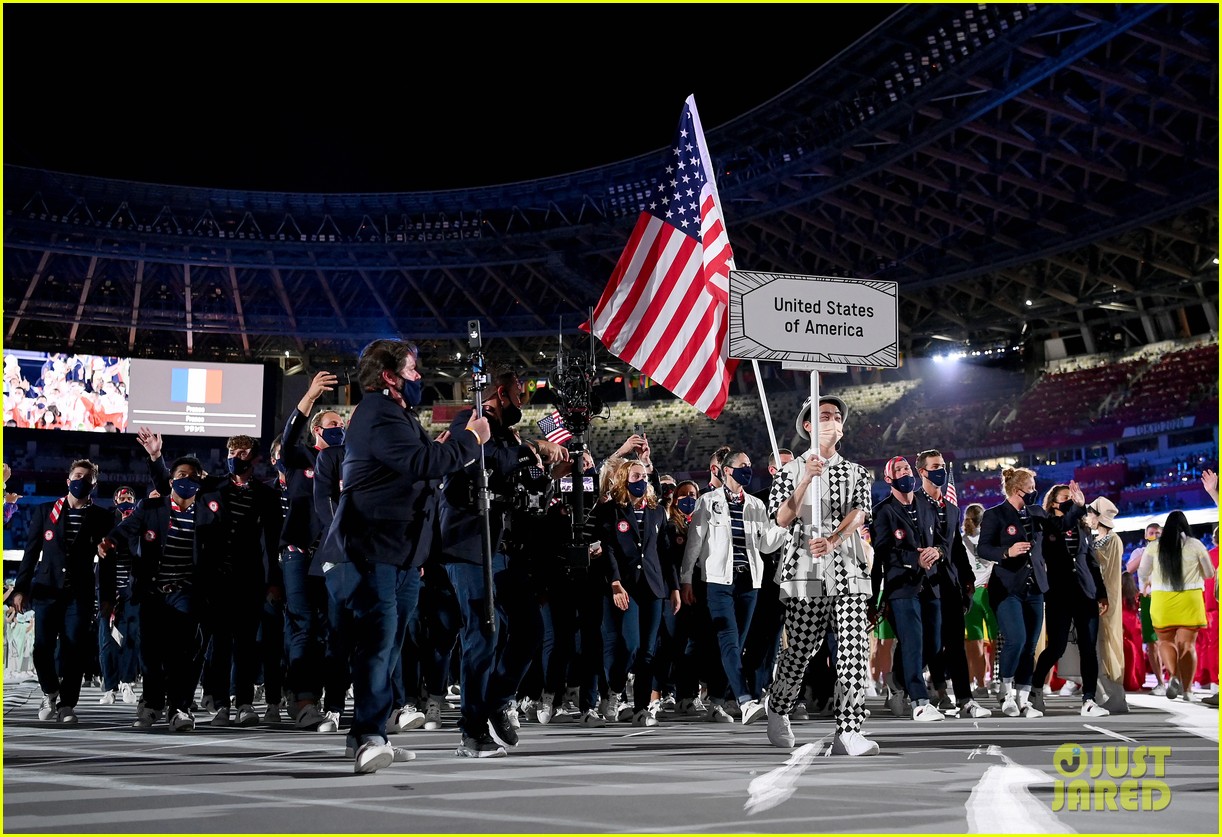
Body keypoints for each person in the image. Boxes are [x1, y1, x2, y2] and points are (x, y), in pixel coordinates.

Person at [314, 338, 489, 773]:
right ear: (389, 376)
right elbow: (421, 463)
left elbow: (418, 465)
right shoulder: (377, 413)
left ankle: (372, 730)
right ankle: (369, 736)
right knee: (379, 641)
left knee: (390, 644)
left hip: (402, 552)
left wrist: (443, 449)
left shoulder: (397, 414)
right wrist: (468, 441)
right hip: (373, 549)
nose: (419, 378)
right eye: (412, 371)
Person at [437, 368, 567, 756]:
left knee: (529, 628)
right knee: (482, 632)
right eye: (518, 394)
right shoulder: (470, 420)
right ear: (499, 393)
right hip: (470, 546)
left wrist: (552, 474)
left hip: (508, 551)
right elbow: (489, 459)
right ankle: (471, 730)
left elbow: (527, 491)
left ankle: (497, 699)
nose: (523, 403)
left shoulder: (511, 437)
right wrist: (534, 449)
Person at [765, 396, 877, 755]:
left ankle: (849, 729)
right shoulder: (790, 471)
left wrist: (834, 539)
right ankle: (779, 707)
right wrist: (804, 481)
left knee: (854, 648)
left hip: (847, 566)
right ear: (809, 426)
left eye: (836, 416)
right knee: (799, 651)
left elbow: (861, 512)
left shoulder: (857, 471)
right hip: (804, 570)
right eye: (824, 416)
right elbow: (781, 519)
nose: (833, 420)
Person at [102, 455, 223, 732]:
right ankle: (152, 704)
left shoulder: (208, 512)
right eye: (180, 475)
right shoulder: (152, 507)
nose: (185, 480)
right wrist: (109, 540)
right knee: (150, 653)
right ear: (170, 481)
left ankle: (180, 708)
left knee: (183, 652)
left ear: (200, 481)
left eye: (192, 476)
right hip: (153, 591)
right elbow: (126, 529)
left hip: (186, 591)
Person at [680, 450, 787, 724]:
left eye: (750, 465)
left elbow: (765, 544)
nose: (748, 470)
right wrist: (686, 579)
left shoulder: (755, 505)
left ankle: (717, 700)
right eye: (743, 466)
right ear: (727, 470)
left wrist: (785, 525)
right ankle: (745, 700)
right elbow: (694, 543)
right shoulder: (707, 502)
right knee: (728, 640)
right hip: (718, 581)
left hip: (749, 582)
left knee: (735, 646)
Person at [13, 460, 116, 723]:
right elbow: (31, 553)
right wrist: (21, 589)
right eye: (77, 475)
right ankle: (50, 691)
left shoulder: (102, 517)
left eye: (87, 477)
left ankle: (68, 704)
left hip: (79, 595)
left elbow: (107, 561)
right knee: (42, 648)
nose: (81, 480)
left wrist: (107, 597)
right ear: (68, 480)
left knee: (74, 649)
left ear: (93, 485)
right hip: (46, 592)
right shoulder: (45, 512)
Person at [590, 459, 680, 727]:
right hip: (626, 586)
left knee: (648, 651)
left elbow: (666, 553)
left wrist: (673, 587)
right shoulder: (612, 511)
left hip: (653, 588)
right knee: (630, 646)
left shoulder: (656, 512)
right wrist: (615, 582)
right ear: (624, 479)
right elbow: (606, 549)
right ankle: (615, 690)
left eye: (644, 475)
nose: (641, 480)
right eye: (635, 475)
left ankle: (641, 707)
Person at [915, 450, 991, 719]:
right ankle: (928, 689)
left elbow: (956, 547)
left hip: (950, 584)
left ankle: (965, 699)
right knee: (931, 644)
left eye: (943, 467)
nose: (941, 471)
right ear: (922, 471)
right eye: (935, 467)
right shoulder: (914, 505)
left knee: (956, 643)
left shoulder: (952, 508)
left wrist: (968, 579)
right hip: (925, 585)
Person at [870, 456, 946, 721]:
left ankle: (898, 679)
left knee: (933, 644)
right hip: (901, 587)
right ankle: (920, 701)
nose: (905, 473)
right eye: (898, 470)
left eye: (907, 469)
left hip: (931, 585)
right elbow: (883, 551)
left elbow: (943, 540)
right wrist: (914, 559)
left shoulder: (928, 505)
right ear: (889, 479)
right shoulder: (883, 511)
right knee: (912, 642)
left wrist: (936, 552)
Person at [1029, 482, 1110, 717]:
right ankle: (1035, 689)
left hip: (1085, 593)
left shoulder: (1081, 528)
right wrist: (1078, 506)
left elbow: (1091, 562)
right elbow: (1059, 526)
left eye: (1072, 497)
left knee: (1088, 647)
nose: (1071, 500)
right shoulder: (1046, 524)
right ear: (1053, 502)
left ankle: (1089, 699)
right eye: (1066, 497)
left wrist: (1101, 592)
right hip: (1059, 594)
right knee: (1057, 647)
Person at [977, 467, 1047, 718]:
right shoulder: (996, 515)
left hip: (1035, 588)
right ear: (1018, 490)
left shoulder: (1037, 513)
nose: (1034, 492)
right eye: (1031, 488)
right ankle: (1005, 693)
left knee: (1029, 646)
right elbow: (983, 548)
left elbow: (1058, 529)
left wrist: (1078, 508)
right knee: (1015, 639)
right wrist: (1007, 552)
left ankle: (1023, 698)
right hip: (1007, 588)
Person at [1137, 510, 1215, 701]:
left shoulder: (1154, 547)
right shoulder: (1195, 545)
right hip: (1190, 599)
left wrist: (1148, 583)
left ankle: (1173, 676)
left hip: (1162, 601)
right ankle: (1188, 691)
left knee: (1165, 642)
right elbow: (1209, 573)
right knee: (1188, 646)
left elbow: (1143, 571)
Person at [98, 486, 140, 706]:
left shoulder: (139, 521)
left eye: (130, 497)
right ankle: (109, 686)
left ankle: (127, 682)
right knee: (107, 640)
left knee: (130, 638)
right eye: (122, 498)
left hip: (131, 590)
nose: (126, 500)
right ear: (115, 501)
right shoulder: (106, 520)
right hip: (109, 589)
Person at [1085, 497, 1128, 713]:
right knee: (1097, 645)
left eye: (1090, 513)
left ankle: (1116, 694)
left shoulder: (1112, 540)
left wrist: (1104, 598)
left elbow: (1108, 574)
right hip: (1096, 597)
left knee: (1109, 642)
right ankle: (1105, 692)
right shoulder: (1098, 539)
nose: (1088, 518)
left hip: (1105, 599)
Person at [961, 503, 997, 699]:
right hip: (989, 592)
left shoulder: (961, 540)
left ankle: (981, 684)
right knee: (995, 639)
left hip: (970, 593)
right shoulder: (990, 538)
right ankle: (996, 679)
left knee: (974, 641)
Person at [1126, 521, 1167, 694]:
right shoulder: (1139, 552)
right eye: (1151, 532)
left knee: (1169, 640)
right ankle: (1160, 682)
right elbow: (1129, 569)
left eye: (1158, 533)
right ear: (1145, 535)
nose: (1154, 535)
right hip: (1147, 598)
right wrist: (1148, 551)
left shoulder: (1168, 552)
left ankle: (1176, 679)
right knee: (1152, 642)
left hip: (1166, 597)